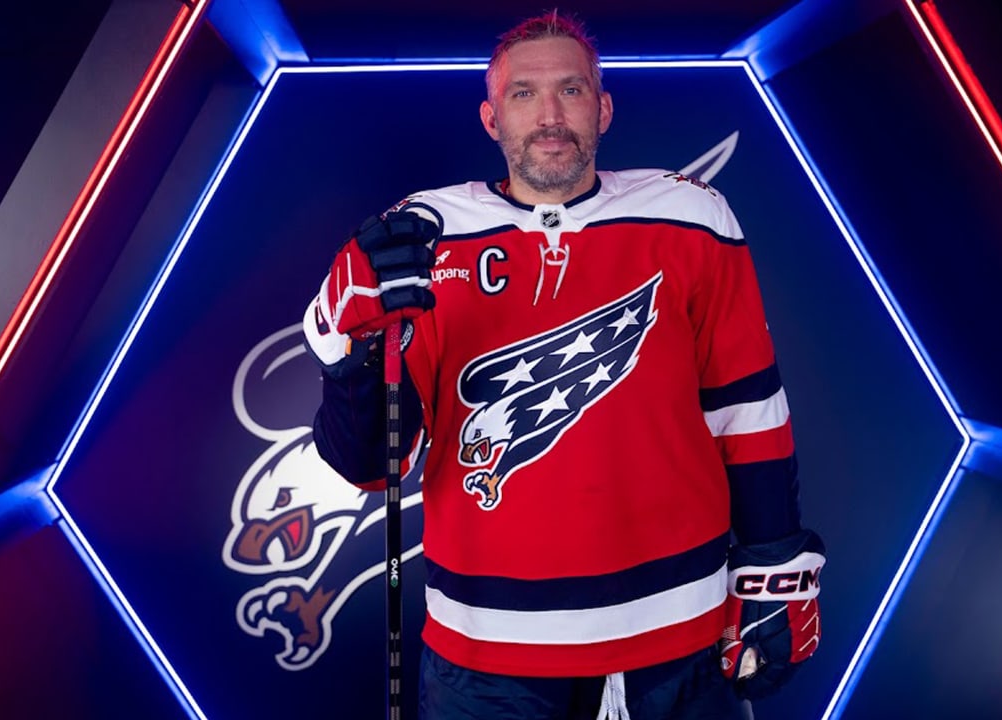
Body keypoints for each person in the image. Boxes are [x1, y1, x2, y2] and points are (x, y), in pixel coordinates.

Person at [302, 10, 825, 720]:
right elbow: (374, 465)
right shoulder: (424, 232)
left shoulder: (693, 215)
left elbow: (747, 410)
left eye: (571, 90)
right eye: (524, 94)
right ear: (492, 118)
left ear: (603, 108)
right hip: (487, 652)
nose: (549, 116)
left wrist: (774, 563)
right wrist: (344, 352)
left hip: (679, 637)